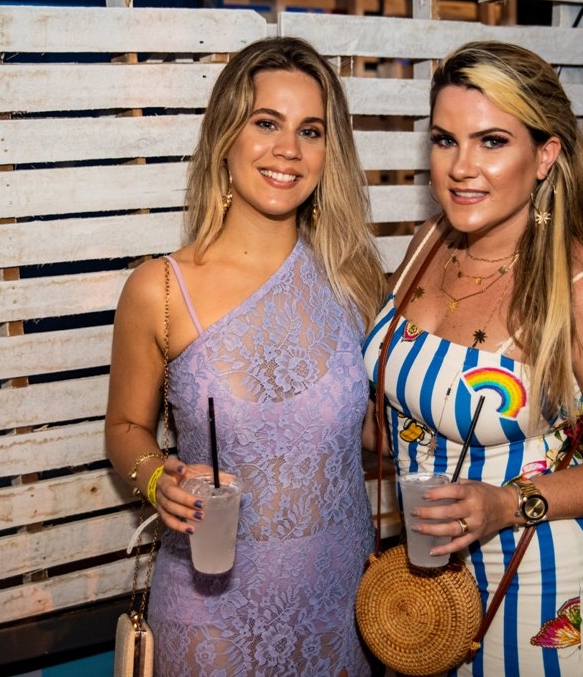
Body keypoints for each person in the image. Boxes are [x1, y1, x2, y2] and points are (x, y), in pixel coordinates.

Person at [362, 41, 583, 676]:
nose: (461, 167)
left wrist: (508, 503)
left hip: (543, 584)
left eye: (492, 142)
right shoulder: (430, 241)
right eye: (445, 140)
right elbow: (397, 411)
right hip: (426, 586)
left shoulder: (582, 290)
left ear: (545, 155)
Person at [105, 36, 386, 677]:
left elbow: (372, 431)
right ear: (226, 136)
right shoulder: (160, 290)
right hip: (210, 615)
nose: (288, 148)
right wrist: (157, 479)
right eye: (266, 123)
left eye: (310, 130)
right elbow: (123, 428)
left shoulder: (354, 281)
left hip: (339, 605)